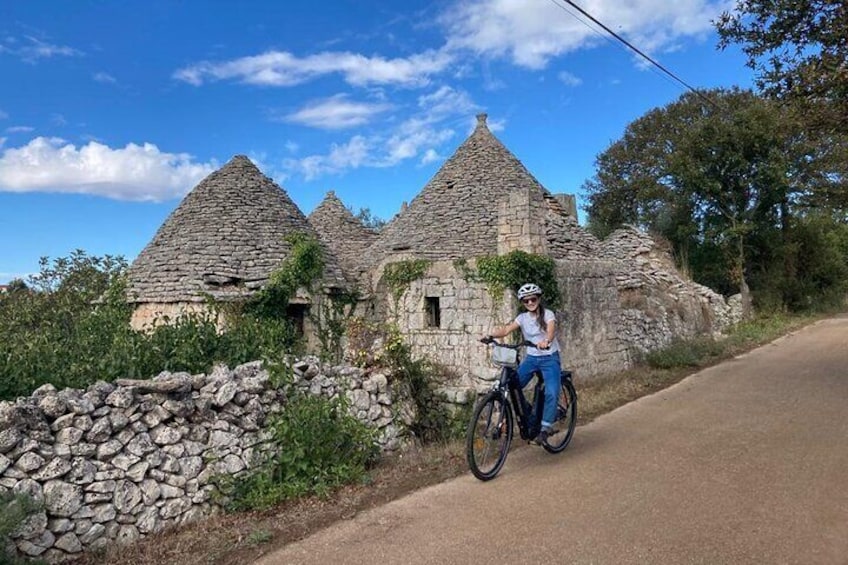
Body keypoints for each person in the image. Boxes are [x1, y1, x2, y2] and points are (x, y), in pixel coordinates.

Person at [485, 283, 561, 445]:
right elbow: (506, 330)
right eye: (526, 301)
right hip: (532, 359)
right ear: (522, 303)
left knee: (552, 392)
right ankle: (530, 415)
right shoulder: (522, 318)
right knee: (513, 384)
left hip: (549, 357)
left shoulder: (548, 314)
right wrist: (490, 335)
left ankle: (545, 429)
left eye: (533, 299)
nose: (530, 303)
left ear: (539, 299)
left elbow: (551, 330)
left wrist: (546, 341)